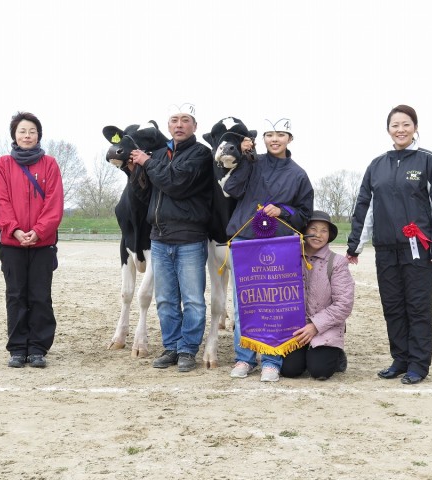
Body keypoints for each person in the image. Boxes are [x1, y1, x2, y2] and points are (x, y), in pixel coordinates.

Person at [347, 104, 432, 385]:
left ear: (415, 128)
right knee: (392, 305)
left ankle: (418, 364)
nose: (401, 130)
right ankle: (400, 358)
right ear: (388, 130)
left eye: (406, 124)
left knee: (417, 306)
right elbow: (364, 205)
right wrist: (355, 244)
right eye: (395, 125)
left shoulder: (429, 161)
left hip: (419, 249)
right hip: (385, 249)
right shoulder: (377, 165)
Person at [224, 118, 314, 382]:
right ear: (263, 138)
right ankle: (245, 357)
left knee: (275, 303)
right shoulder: (251, 162)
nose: (275, 139)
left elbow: (305, 213)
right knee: (244, 304)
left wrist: (284, 210)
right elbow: (231, 189)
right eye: (270, 135)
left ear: (290, 138)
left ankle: (272, 360)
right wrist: (242, 157)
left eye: (281, 134)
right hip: (244, 241)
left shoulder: (299, 174)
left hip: (280, 244)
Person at [130, 103, 213, 372]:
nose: (179, 125)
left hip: (189, 237)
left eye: (185, 120)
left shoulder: (201, 154)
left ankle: (188, 349)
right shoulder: (160, 155)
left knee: (192, 299)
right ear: (168, 126)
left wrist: (148, 163)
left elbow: (176, 183)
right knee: (165, 299)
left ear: (195, 126)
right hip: (160, 237)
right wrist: (136, 173)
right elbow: (149, 196)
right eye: (174, 120)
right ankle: (172, 347)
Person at [0, 112, 64, 368]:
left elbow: (54, 202)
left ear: (39, 135)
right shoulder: (2, 164)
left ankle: (37, 348)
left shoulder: (50, 164)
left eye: (32, 131)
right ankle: (17, 348)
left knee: (40, 296)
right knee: (15, 295)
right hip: (12, 244)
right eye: (22, 131)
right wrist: (13, 230)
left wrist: (40, 230)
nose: (27, 135)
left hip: (43, 244)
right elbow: (1, 201)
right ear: (14, 135)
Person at [281, 211, 354, 380]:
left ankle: (337, 356)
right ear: (304, 231)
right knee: (290, 370)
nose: (318, 235)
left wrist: (315, 325)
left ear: (329, 235)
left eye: (324, 230)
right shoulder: (289, 258)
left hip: (326, 326)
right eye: (313, 229)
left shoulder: (337, 262)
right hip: (296, 328)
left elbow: (344, 304)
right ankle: (305, 353)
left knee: (319, 371)